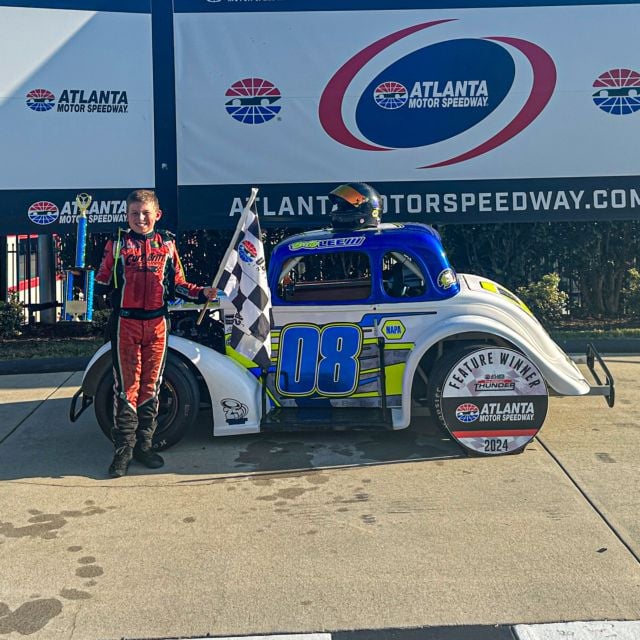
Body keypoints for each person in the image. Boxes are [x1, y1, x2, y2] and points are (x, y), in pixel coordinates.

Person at [95, 189, 217, 478]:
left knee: (151, 386)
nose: (140, 218)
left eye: (145, 213)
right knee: (127, 389)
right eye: (134, 213)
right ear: (127, 216)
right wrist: (89, 290)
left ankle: (145, 447)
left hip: (158, 324)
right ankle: (122, 452)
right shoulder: (117, 244)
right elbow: (99, 281)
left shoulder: (168, 244)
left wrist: (201, 293)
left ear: (157, 215)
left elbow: (178, 283)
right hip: (125, 323)